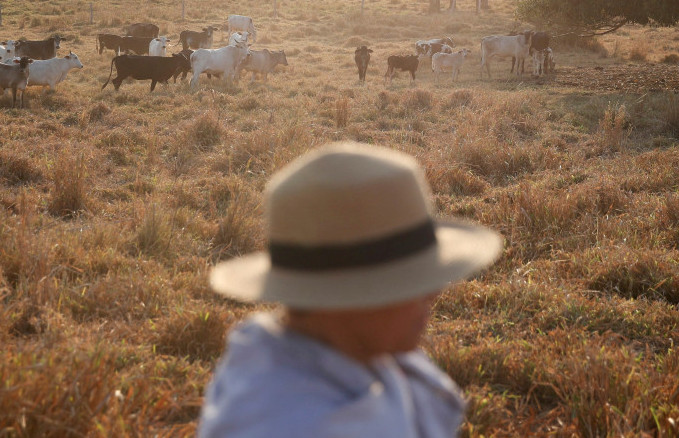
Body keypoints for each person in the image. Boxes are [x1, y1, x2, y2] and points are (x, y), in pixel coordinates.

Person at [198, 141, 502, 438]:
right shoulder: (297, 425)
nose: (434, 291)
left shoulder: (350, 350)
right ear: (345, 295)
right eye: (411, 279)